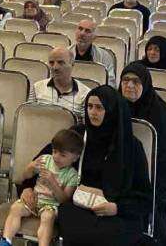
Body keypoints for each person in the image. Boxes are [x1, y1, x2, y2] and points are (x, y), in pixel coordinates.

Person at [54, 86, 152, 246]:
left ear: (112, 111)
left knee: (113, 233)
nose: (93, 112)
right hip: (80, 205)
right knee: (70, 219)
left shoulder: (131, 146)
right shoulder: (78, 135)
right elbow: (50, 158)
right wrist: (29, 186)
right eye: (90, 106)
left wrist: (117, 208)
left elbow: (145, 198)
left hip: (116, 212)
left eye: (99, 108)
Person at [120, 62, 166, 245]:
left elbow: (164, 154)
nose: (129, 85)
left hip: (153, 175)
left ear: (145, 84)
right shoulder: (114, 106)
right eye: (125, 80)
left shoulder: (159, 111)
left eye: (136, 81)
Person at [0, 129, 83, 246]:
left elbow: (64, 200)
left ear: (75, 158)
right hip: (34, 199)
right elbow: (23, 177)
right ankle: (6, 240)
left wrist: (53, 183)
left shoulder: (72, 175)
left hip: (51, 205)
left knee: (48, 218)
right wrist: (30, 168)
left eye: (62, 155)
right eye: (54, 151)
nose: (56, 157)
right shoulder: (45, 160)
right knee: (16, 208)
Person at [30, 47, 89, 123]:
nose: (55, 67)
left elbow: (86, 126)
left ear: (72, 64)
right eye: (51, 63)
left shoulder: (85, 93)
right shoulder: (37, 87)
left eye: (60, 62)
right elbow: (29, 118)